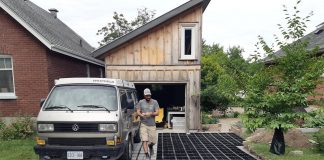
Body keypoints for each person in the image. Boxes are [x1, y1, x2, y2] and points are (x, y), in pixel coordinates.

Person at [136, 88, 159, 159]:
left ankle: (151, 146)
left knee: (153, 141)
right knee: (144, 139)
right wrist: (141, 114)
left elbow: (157, 113)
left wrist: (151, 113)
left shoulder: (154, 102)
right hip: (143, 124)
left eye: (149, 95)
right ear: (144, 95)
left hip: (152, 124)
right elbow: (138, 111)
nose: (148, 97)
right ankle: (146, 154)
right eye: (147, 96)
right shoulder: (141, 102)